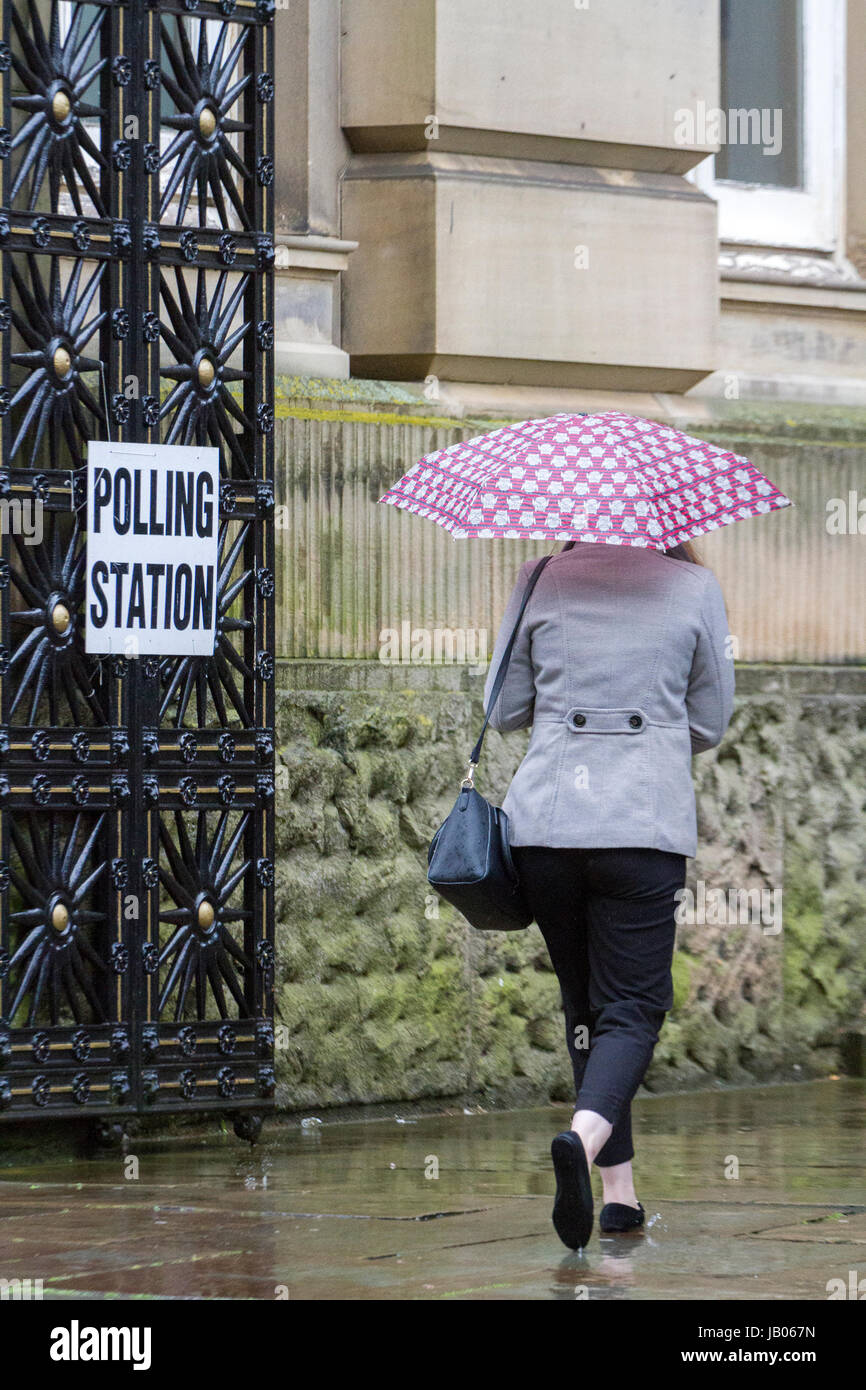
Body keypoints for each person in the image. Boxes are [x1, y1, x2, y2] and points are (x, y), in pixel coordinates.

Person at [482, 538, 734, 1249]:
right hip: (640, 827)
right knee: (636, 1006)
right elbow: (710, 721)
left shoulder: (539, 578)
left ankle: (618, 1196)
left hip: (548, 829)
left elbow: (503, 708)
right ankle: (581, 1138)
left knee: (586, 1005)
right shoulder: (693, 587)